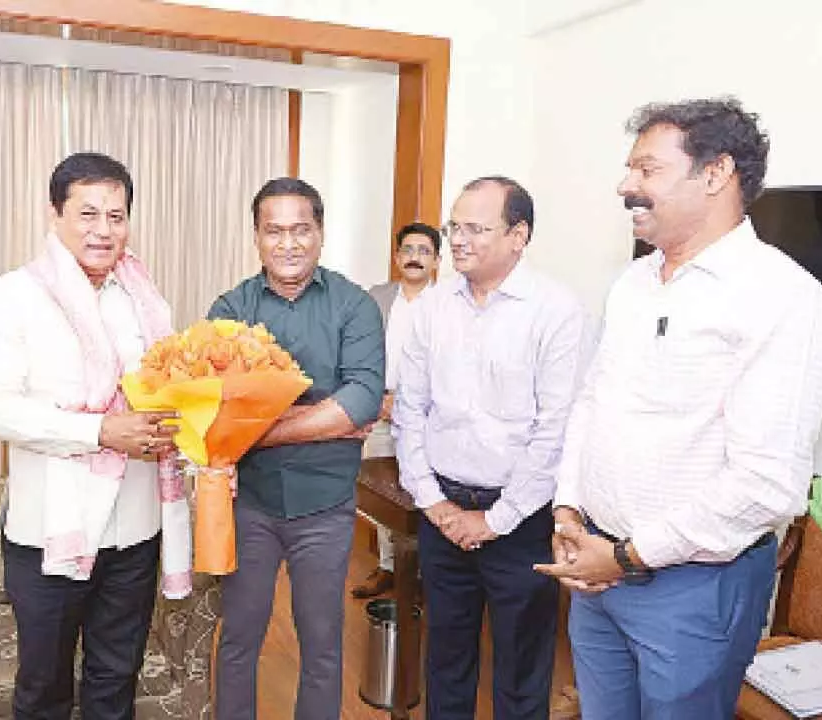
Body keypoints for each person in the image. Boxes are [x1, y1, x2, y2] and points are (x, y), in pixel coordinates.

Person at [535, 97, 822, 718]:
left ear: (714, 173)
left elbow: (764, 486)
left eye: (646, 169)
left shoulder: (786, 301)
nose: (626, 185)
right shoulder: (634, 283)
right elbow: (593, 404)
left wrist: (624, 556)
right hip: (593, 567)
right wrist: (570, 509)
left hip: (694, 590)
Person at [0, 152, 188, 719]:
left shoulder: (144, 300)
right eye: (88, 214)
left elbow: (167, 389)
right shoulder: (12, 296)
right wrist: (102, 431)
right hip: (49, 533)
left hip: (134, 528)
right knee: (43, 688)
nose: (103, 230)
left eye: (116, 216)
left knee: (116, 679)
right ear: (54, 215)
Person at [395, 177, 586, 719]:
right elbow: (410, 411)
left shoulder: (555, 310)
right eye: (454, 226)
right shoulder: (432, 307)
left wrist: (497, 520)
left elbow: (556, 429)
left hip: (521, 521)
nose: (458, 240)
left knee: (523, 668)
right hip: (443, 514)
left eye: (476, 228)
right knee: (446, 657)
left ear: (518, 235)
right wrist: (434, 503)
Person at [210, 177, 385, 720]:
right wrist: (323, 416)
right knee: (238, 640)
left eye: (300, 230)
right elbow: (215, 407)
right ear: (257, 238)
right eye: (274, 231)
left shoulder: (354, 306)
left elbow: (360, 399)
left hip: (326, 507)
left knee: (322, 645)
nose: (288, 243)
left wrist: (260, 427)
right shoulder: (230, 308)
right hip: (249, 505)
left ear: (321, 233)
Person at [353, 222, 441, 599]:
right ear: (396, 257)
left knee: (425, 490)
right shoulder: (376, 298)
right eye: (408, 250)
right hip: (380, 408)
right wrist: (377, 397)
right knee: (384, 492)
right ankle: (389, 566)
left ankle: (426, 572)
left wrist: (410, 403)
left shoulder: (450, 303)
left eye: (424, 251)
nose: (415, 258)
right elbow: (360, 354)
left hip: (430, 417)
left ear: (437, 260)